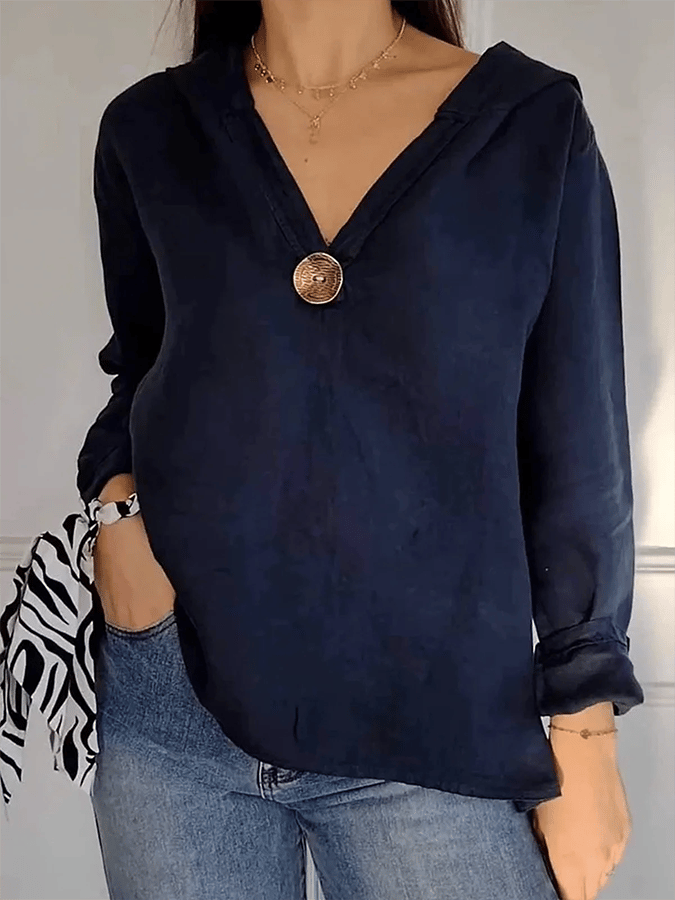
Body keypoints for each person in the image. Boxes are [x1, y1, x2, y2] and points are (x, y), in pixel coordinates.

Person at [0, 1, 646, 898]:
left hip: (434, 721)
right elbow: (143, 365)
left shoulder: (529, 125)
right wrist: (120, 518)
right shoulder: (150, 128)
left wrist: (584, 726)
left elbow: (577, 431)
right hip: (175, 708)